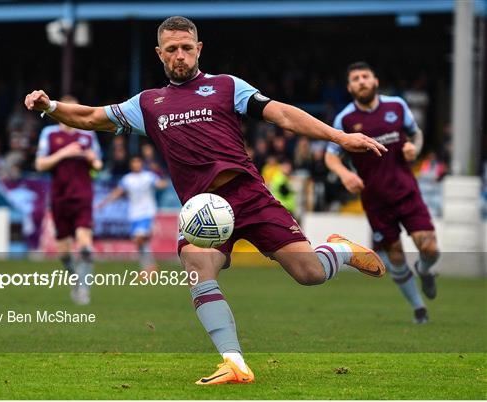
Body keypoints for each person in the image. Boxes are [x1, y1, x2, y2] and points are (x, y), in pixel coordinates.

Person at [25, 16, 387, 385]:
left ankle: (340, 251)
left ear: (198, 49)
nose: (179, 55)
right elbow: (90, 116)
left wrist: (339, 137)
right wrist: (49, 106)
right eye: (171, 50)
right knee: (197, 267)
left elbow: (281, 114)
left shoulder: (227, 87)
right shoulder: (148, 104)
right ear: (159, 54)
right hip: (203, 210)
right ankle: (234, 363)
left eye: (186, 48)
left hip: (249, 195)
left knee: (309, 274)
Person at [325, 62, 440, 324]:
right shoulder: (345, 119)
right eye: (356, 78)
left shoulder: (396, 106)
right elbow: (331, 157)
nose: (362, 81)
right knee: (396, 255)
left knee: (430, 248)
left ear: (375, 81)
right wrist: (345, 174)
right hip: (376, 200)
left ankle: (424, 269)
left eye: (366, 76)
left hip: (407, 192)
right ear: (349, 87)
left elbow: (416, 134)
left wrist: (414, 147)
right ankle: (419, 308)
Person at [35, 95, 103, 305]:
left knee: (84, 245)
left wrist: (93, 161)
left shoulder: (88, 136)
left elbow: (99, 166)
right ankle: (76, 281)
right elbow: (40, 165)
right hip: (59, 197)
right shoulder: (49, 134)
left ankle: (84, 289)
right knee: (63, 252)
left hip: (82, 196)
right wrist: (64, 153)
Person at [98, 156, 168, 275]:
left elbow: (162, 184)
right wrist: (105, 202)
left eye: (138, 162)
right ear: (131, 165)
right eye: (134, 162)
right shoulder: (127, 179)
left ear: (141, 164)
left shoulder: (148, 176)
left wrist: (160, 173)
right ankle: (149, 267)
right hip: (134, 214)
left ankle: (148, 268)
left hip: (147, 212)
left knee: (139, 238)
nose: (136, 164)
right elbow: (118, 192)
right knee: (140, 242)